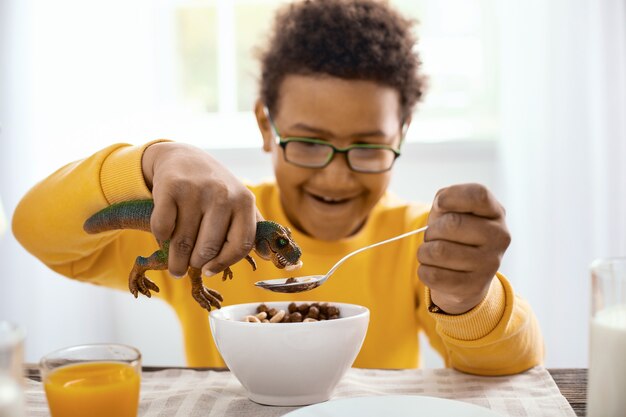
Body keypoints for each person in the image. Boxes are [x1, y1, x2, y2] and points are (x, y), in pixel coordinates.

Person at [12, 0, 543, 373]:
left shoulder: (413, 241)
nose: (336, 176)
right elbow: (37, 231)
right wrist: (152, 160)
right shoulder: (201, 222)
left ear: (402, 132)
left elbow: (514, 368)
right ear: (266, 126)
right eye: (309, 143)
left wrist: (467, 298)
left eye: (367, 146)